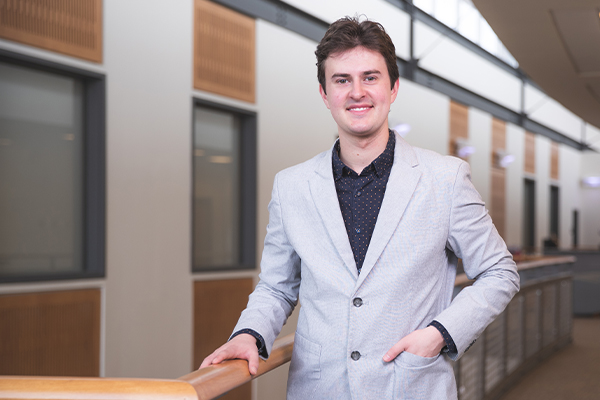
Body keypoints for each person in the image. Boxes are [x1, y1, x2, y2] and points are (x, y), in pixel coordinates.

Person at [200, 16, 520, 399]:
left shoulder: (445, 179)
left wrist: (440, 334)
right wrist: (249, 333)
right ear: (324, 93)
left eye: (370, 77)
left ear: (393, 87)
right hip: (320, 389)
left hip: (411, 386)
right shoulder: (292, 186)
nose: (357, 92)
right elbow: (276, 286)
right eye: (342, 80)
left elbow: (499, 272)